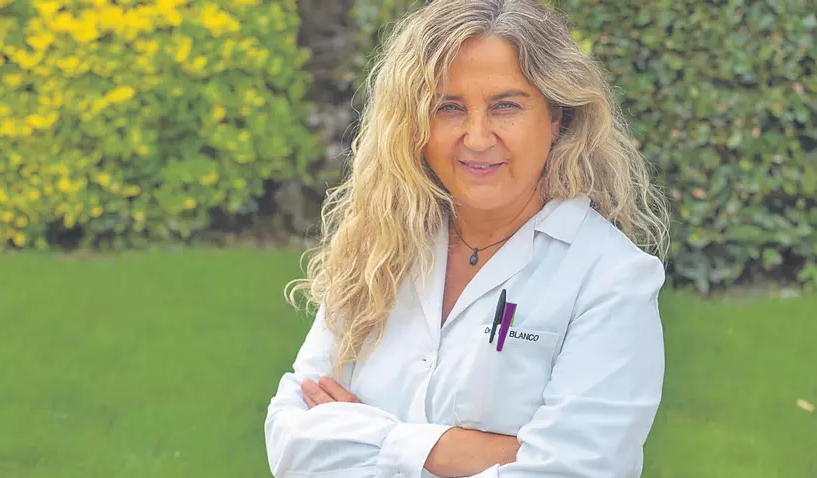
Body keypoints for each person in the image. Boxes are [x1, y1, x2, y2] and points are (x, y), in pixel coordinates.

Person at [265, 0, 670, 476]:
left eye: (505, 106)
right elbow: (292, 439)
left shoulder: (611, 279)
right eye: (449, 107)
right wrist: (484, 452)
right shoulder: (381, 246)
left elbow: (574, 470)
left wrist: (373, 437)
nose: (477, 138)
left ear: (556, 116)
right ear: (415, 123)